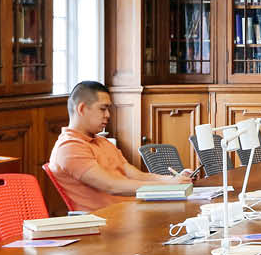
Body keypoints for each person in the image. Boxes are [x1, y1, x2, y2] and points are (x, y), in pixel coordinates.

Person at [47, 81, 191, 211]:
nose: (108, 115)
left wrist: (173, 179)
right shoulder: (69, 147)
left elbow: (136, 175)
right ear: (82, 109)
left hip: (134, 212)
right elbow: (111, 186)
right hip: (107, 226)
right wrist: (169, 186)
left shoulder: (102, 142)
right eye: (103, 109)